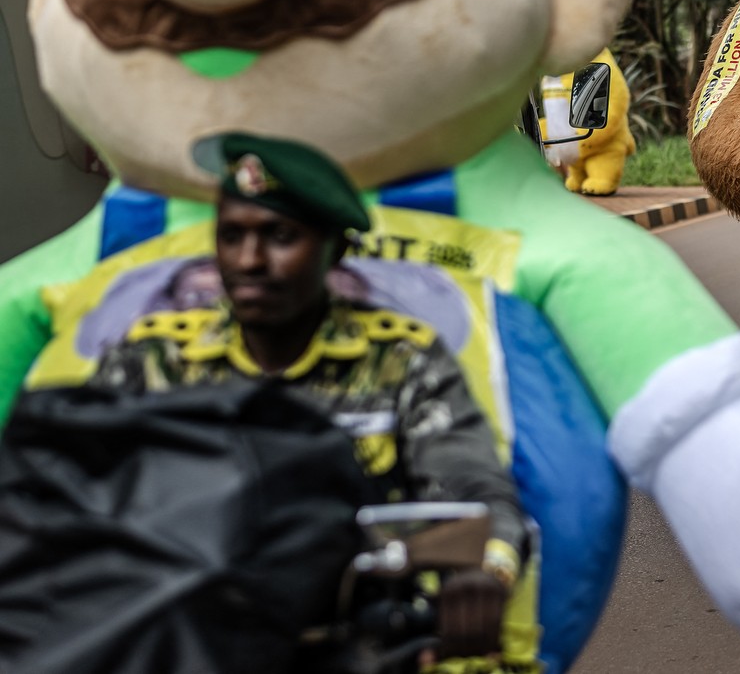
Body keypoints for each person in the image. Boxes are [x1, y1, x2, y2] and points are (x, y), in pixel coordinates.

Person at [91, 132, 527, 663]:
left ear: (335, 250)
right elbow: (73, 487)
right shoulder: (152, 358)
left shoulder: (400, 359)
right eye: (231, 235)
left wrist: (486, 573)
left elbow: (473, 486)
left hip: (355, 639)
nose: (250, 260)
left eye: (280, 236)